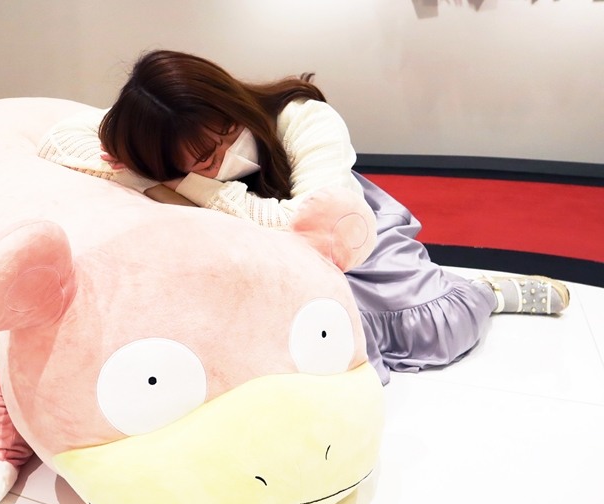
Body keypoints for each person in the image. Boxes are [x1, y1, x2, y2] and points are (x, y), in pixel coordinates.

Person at [37, 49, 569, 384]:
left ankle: (486, 293)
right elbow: (58, 141)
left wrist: (189, 185)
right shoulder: (155, 131)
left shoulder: (302, 116)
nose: (221, 160)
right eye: (199, 161)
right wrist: (146, 172)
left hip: (349, 235)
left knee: (435, 327)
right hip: (265, 256)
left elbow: (310, 224)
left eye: (224, 139)